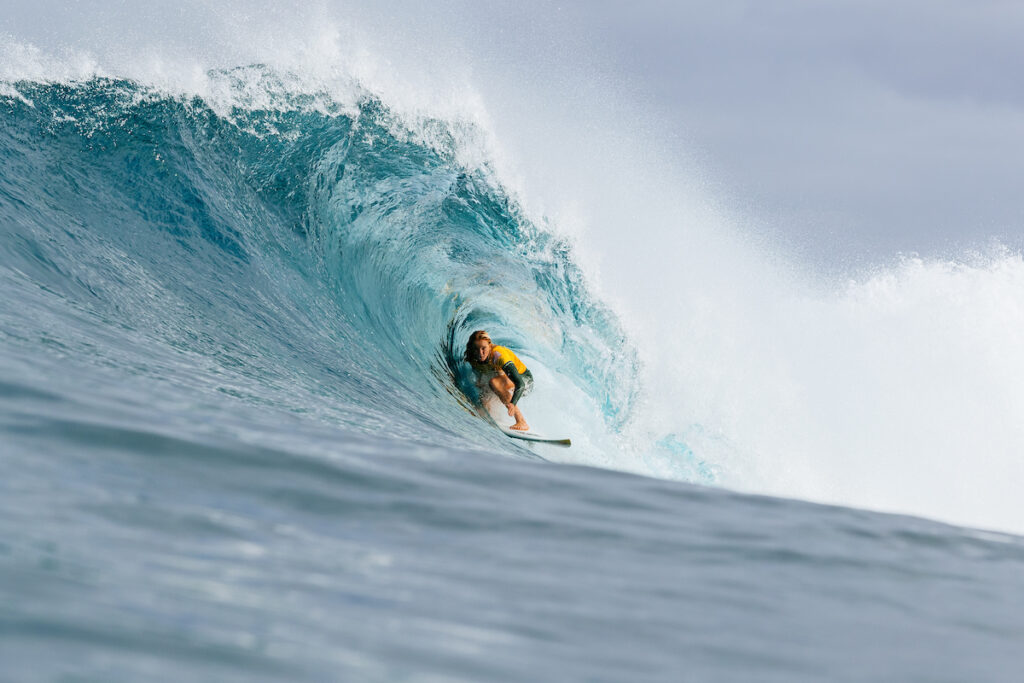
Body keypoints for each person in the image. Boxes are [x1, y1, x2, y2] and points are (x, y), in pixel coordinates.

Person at [464, 330, 533, 431]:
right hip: (506, 381)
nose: (480, 353)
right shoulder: (473, 358)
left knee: (494, 383)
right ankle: (489, 416)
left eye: (484, 348)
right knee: (484, 390)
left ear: (490, 345)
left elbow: (520, 384)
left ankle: (521, 421)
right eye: (476, 349)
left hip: (525, 381)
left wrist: (513, 404)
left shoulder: (498, 355)